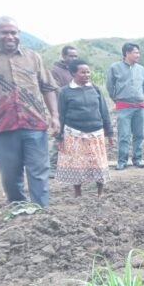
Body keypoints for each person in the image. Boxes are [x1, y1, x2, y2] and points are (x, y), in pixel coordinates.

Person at [0, 16, 59, 207]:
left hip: (34, 124)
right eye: (5, 32)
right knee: (9, 172)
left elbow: (48, 88)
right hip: (4, 124)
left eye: (14, 32)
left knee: (38, 170)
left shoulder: (33, 58)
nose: (10, 36)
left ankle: (39, 211)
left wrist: (55, 116)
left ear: (19, 34)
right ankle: (18, 208)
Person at [55, 59, 113, 198]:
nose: (87, 74)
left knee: (98, 163)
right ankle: (78, 193)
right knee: (77, 164)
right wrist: (59, 136)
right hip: (74, 133)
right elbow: (61, 115)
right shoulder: (65, 92)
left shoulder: (95, 89)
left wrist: (109, 131)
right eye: (83, 72)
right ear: (73, 73)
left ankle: (100, 193)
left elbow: (104, 111)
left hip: (95, 133)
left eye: (88, 72)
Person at [106, 42, 144, 170]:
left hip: (140, 106)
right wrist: (116, 99)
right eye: (135, 52)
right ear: (127, 53)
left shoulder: (141, 69)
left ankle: (138, 159)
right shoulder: (115, 67)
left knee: (139, 134)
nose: (138, 55)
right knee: (124, 135)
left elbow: (143, 87)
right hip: (124, 106)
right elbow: (109, 86)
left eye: (138, 52)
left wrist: (141, 96)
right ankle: (122, 160)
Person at [49, 45, 79, 178]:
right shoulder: (55, 70)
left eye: (75, 56)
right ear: (64, 56)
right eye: (71, 56)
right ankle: (52, 166)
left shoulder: (76, 69)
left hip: (76, 108)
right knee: (59, 137)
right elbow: (56, 89)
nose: (73, 58)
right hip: (61, 108)